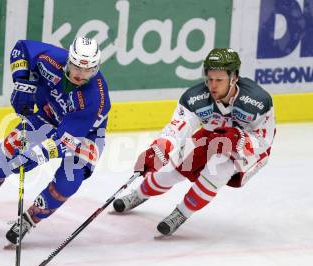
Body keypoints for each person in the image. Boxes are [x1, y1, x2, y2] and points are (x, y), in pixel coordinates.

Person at [0, 37, 110, 244]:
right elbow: (20, 49)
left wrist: (36, 155)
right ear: (69, 60)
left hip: (84, 136)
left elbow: (66, 139)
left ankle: (29, 220)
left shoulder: (96, 98)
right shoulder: (51, 58)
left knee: (68, 182)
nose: (80, 75)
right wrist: (23, 83)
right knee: (3, 158)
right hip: (46, 117)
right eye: (76, 67)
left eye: (89, 70)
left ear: (96, 67)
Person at [113, 48, 275, 236]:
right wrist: (159, 149)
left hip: (248, 149)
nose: (212, 86)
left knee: (217, 169)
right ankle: (139, 194)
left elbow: (264, 140)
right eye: (210, 78)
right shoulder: (195, 98)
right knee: (173, 167)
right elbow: (177, 129)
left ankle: (181, 213)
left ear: (234, 78)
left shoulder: (257, 101)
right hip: (212, 136)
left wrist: (239, 140)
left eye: (219, 80)